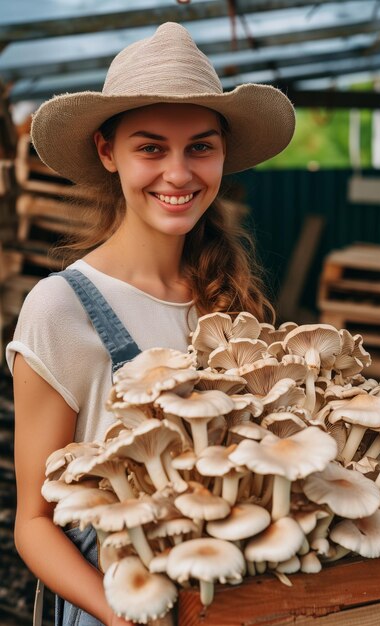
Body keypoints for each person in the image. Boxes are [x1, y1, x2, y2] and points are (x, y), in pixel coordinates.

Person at [6, 22, 295, 626]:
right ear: (108, 152)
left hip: (229, 594)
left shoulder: (229, 304)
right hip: (116, 603)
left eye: (200, 146)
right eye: (151, 147)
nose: (179, 174)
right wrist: (121, 615)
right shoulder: (60, 309)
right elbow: (33, 525)